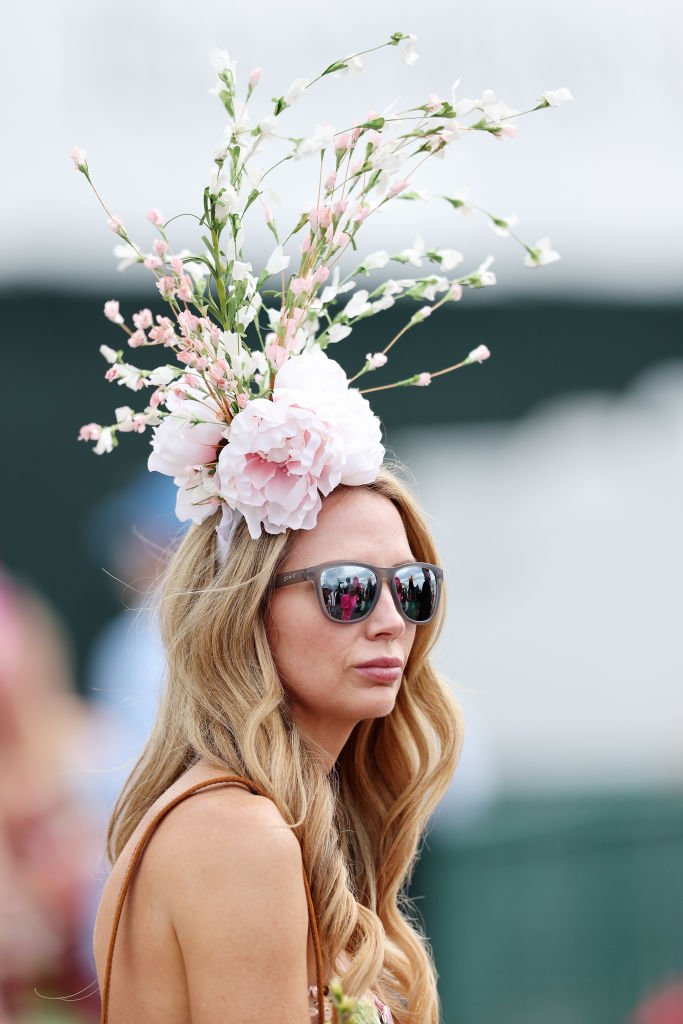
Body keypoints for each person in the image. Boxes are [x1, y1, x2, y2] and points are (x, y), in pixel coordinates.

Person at [92, 468, 463, 1024]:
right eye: (348, 588)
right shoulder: (238, 834)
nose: (391, 621)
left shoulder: (247, 820)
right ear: (248, 605)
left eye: (413, 587)